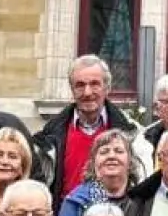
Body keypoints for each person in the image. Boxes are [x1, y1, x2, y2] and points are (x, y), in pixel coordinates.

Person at [35, 54, 139, 201]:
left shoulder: (131, 134)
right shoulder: (50, 136)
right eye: (80, 85)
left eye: (95, 84)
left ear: (107, 88)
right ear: (72, 89)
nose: (87, 92)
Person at [56, 130, 139, 216]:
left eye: (119, 151)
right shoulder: (75, 202)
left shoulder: (141, 200)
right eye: (104, 152)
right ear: (93, 163)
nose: (111, 156)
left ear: (130, 162)